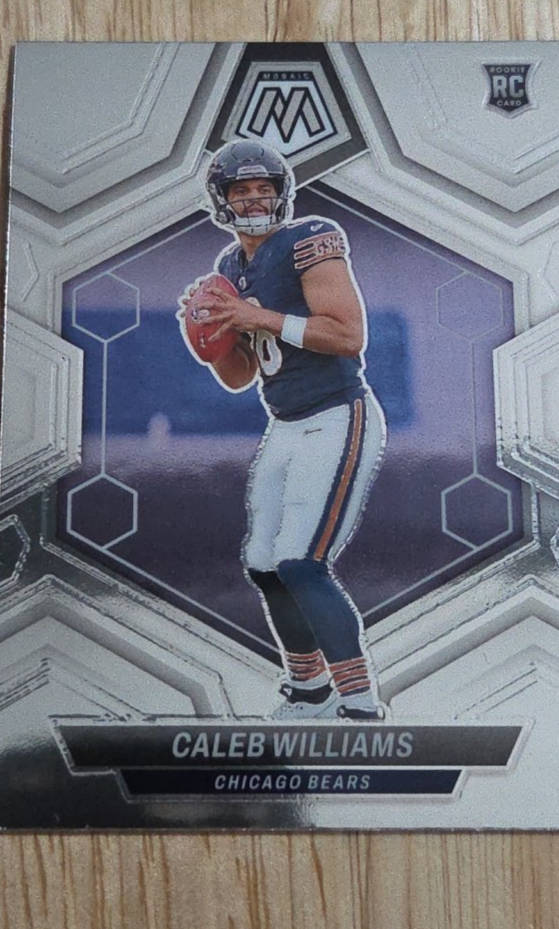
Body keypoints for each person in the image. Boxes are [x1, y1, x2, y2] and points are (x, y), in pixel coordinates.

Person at [178, 140, 387, 720]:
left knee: (300, 561)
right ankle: (309, 688)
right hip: (285, 422)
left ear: (282, 194)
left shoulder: (310, 238)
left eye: (263, 188)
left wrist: (258, 316)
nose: (253, 199)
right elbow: (239, 377)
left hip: (337, 412)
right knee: (264, 564)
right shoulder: (229, 268)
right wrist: (207, 336)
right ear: (221, 199)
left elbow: (347, 336)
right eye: (241, 190)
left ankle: (360, 703)